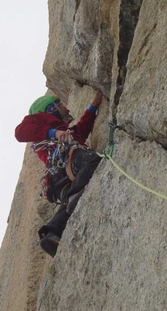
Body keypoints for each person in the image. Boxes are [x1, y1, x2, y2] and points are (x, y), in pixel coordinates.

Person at [14, 91, 103, 257]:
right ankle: (73, 195)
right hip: (65, 163)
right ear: (51, 108)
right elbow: (20, 132)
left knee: (67, 205)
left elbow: (80, 130)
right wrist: (53, 133)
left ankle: (50, 234)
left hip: (59, 180)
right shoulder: (40, 122)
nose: (67, 108)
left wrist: (93, 107)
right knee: (93, 159)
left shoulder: (65, 133)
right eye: (61, 104)